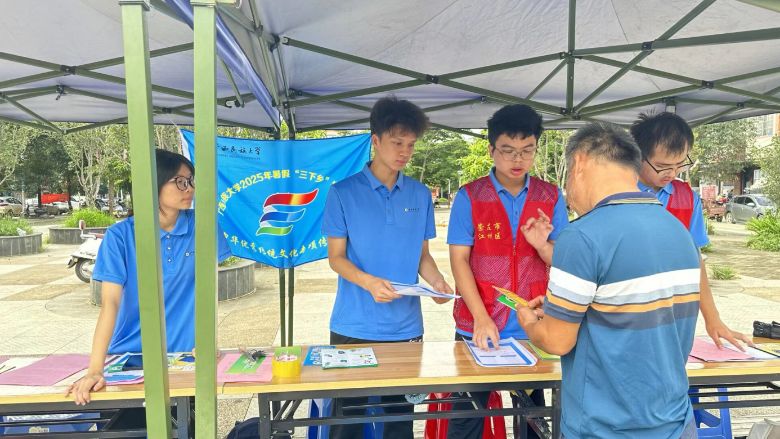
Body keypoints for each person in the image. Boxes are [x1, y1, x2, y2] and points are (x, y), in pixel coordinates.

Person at [518, 122, 701, 438]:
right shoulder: (678, 230)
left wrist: (529, 322)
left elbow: (557, 340)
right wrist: (566, 309)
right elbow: (627, 309)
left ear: (579, 163)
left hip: (604, 428)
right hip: (675, 422)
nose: (569, 195)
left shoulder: (583, 235)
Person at [321, 96, 454, 439]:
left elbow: (421, 254)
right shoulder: (342, 193)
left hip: (405, 328)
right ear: (375, 141)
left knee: (399, 424)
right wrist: (368, 282)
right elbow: (336, 257)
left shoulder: (420, 195)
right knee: (346, 425)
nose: (404, 152)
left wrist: (438, 282)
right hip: (353, 325)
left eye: (410, 145)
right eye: (397, 143)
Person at [66, 149, 231, 408]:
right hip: (129, 356)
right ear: (153, 183)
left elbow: (208, 291)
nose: (189, 189)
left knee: (186, 427)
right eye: (180, 181)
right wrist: (95, 369)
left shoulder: (204, 225)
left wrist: (208, 342)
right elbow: (110, 303)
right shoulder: (120, 236)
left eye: (191, 181)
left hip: (184, 359)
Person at [446, 104, 569, 439]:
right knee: (465, 419)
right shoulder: (470, 196)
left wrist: (543, 245)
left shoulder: (550, 196)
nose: (518, 160)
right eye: (509, 151)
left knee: (534, 421)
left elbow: (564, 263)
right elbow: (459, 260)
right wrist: (481, 317)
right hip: (476, 325)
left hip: (534, 326)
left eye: (527, 151)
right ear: (491, 150)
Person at [630, 112, 751, 349]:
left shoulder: (686, 198)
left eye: (680, 164)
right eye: (663, 166)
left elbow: (695, 260)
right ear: (637, 156)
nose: (672, 174)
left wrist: (712, 318)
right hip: (625, 310)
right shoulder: (616, 192)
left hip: (675, 311)